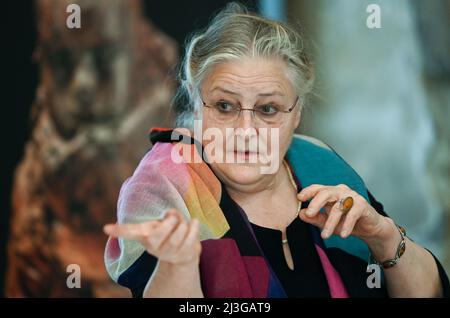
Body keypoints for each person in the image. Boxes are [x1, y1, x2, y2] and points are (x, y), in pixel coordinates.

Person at [103, 3, 449, 298]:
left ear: (297, 113)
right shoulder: (163, 185)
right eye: (224, 106)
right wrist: (177, 265)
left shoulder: (318, 160)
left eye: (268, 109)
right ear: (196, 102)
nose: (246, 131)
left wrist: (383, 236)